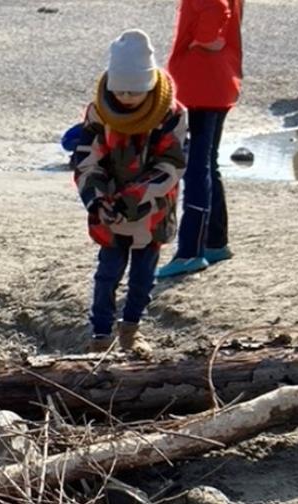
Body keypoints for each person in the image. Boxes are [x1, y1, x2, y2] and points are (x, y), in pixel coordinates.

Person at [70, 29, 187, 356]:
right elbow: (86, 157)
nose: (125, 97)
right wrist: (97, 199)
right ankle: (101, 335)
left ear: (149, 85)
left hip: (152, 211)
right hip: (109, 209)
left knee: (142, 278)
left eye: (133, 91)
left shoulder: (171, 114)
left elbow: (172, 163)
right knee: (107, 275)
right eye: (119, 89)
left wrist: (135, 197)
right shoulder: (99, 111)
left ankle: (131, 330)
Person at [157, 0, 243, 278]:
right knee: (207, 163)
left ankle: (190, 252)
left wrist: (203, 40)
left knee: (196, 167)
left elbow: (215, 8)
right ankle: (215, 242)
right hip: (218, 82)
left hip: (199, 85)